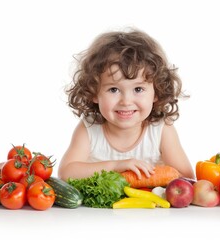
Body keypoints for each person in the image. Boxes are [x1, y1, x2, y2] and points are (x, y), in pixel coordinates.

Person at [58, 28, 195, 181]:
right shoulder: (90, 128)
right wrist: (116, 166)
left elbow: (187, 178)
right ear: (93, 92)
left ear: (156, 91)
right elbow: (66, 173)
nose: (126, 101)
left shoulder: (160, 129)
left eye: (138, 89)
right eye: (113, 89)